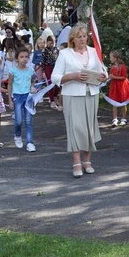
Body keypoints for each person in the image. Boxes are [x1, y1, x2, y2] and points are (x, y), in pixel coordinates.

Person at [51, 23, 108, 178]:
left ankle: (87, 161)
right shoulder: (65, 54)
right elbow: (55, 77)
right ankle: (76, 161)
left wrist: (104, 76)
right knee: (75, 127)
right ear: (73, 39)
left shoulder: (94, 51)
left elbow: (103, 70)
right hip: (72, 94)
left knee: (90, 127)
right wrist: (72, 76)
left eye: (85, 36)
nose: (83, 39)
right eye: (79, 37)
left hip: (92, 93)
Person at [7, 47, 37, 152]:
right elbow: (9, 85)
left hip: (28, 97)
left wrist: (32, 87)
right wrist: (10, 100)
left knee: (28, 121)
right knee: (18, 121)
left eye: (26, 57)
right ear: (17, 58)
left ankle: (29, 142)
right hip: (17, 97)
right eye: (21, 57)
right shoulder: (13, 71)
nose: (24, 59)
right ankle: (18, 135)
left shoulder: (31, 70)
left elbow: (33, 81)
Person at [108, 50, 129, 126]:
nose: (110, 59)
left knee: (123, 102)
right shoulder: (112, 67)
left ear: (115, 58)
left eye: (111, 57)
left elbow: (124, 77)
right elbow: (111, 76)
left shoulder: (123, 66)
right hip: (115, 86)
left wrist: (113, 77)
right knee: (114, 102)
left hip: (122, 86)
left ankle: (124, 118)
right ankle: (115, 119)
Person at [40, 36, 60, 108]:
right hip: (48, 67)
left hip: (56, 67)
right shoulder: (44, 50)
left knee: (58, 83)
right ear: (47, 42)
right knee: (50, 83)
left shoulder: (57, 49)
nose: (51, 44)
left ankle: (55, 96)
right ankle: (52, 100)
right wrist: (43, 72)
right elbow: (43, 62)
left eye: (53, 43)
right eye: (50, 43)